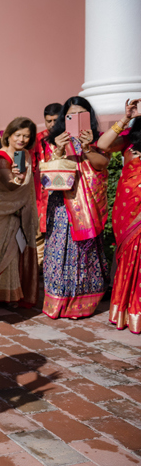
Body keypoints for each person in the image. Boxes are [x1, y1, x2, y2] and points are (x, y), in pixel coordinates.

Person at [40, 96, 109, 319]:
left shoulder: (98, 140)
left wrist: (88, 147)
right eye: (72, 115)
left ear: (89, 117)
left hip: (87, 207)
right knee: (59, 250)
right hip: (62, 204)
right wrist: (59, 149)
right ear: (64, 118)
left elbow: (102, 165)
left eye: (82, 114)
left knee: (83, 252)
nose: (77, 119)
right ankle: (58, 302)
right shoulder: (55, 140)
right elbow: (48, 173)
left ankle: (83, 303)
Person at [0, 117, 39, 307]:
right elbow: (9, 186)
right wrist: (16, 179)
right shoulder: (0, 157)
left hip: (16, 211)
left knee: (13, 254)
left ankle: (8, 295)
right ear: (8, 136)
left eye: (27, 136)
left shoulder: (26, 154)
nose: (22, 139)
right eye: (18, 135)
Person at [109, 134, 141, 332]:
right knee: (131, 255)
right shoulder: (130, 139)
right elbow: (104, 145)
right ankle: (127, 311)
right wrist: (127, 117)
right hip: (128, 208)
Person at [30, 103, 63, 267]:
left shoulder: (70, 139)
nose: (51, 124)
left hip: (65, 199)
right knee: (38, 243)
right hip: (40, 198)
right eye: (48, 121)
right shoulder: (37, 139)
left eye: (55, 120)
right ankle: (35, 286)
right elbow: (31, 167)